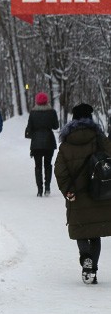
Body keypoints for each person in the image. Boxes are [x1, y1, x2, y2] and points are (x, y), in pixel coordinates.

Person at [54, 103, 111, 284]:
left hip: (77, 194)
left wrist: (67, 190)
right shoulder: (99, 138)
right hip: (99, 192)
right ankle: (92, 269)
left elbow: (60, 170)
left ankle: (85, 257)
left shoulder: (66, 143)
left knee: (81, 230)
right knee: (95, 232)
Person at [26, 92, 59, 196]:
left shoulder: (33, 112)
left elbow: (29, 128)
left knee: (38, 166)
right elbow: (55, 126)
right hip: (49, 141)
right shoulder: (52, 112)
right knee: (48, 165)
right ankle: (47, 187)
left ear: (37, 101)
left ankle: (40, 189)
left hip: (36, 142)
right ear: (46, 101)